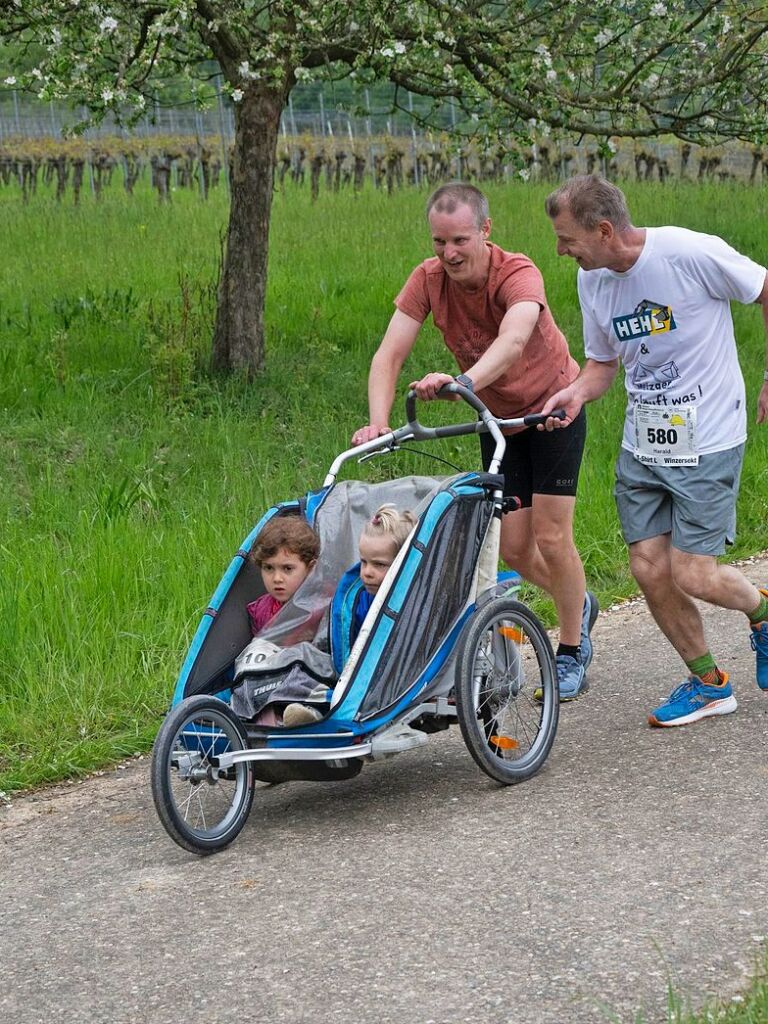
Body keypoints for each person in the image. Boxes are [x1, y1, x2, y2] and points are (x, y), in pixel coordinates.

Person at [353, 182, 598, 700]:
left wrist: (463, 383)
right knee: (514, 548)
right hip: (498, 424)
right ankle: (578, 601)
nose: (449, 253)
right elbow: (388, 355)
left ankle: (572, 648)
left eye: (460, 240)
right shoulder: (427, 279)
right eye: (440, 242)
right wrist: (377, 423)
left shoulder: (518, 272)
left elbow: (512, 341)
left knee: (552, 538)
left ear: (485, 231)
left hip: (553, 412)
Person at [543, 173, 768, 727]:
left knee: (693, 572)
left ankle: (763, 613)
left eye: (568, 238)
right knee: (648, 568)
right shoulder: (592, 281)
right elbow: (602, 366)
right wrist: (574, 392)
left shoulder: (688, 252)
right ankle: (709, 682)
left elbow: (765, 288)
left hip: (708, 435)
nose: (560, 249)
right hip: (644, 440)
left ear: (603, 230)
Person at [283, 505, 417, 726]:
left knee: (334, 693)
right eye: (363, 561)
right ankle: (306, 710)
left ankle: (317, 713)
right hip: (352, 673)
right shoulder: (356, 597)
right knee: (302, 665)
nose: (367, 572)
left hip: (390, 679)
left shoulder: (412, 601)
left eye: (379, 565)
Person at [246, 516, 320, 635]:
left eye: (287, 569)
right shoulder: (259, 611)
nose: (277, 579)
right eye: (269, 568)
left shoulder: (323, 606)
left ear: (310, 568)